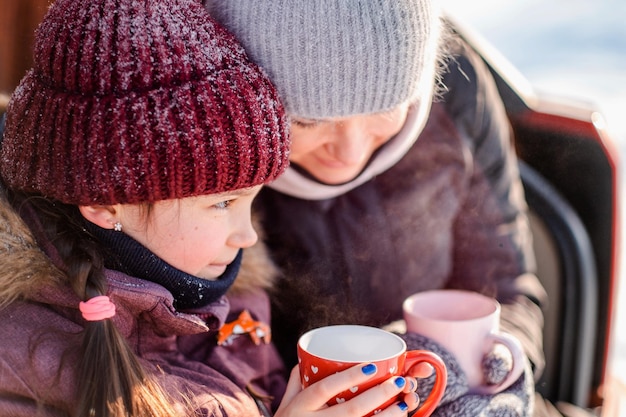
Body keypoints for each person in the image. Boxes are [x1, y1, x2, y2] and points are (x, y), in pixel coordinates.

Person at [0, 0, 424, 416]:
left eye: (253, 199)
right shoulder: (22, 359)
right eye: (223, 203)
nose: (249, 236)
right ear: (105, 206)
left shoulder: (234, 298)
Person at [203, 1, 574, 416]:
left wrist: (500, 369)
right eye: (308, 121)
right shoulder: (206, 157)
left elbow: (505, 284)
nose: (350, 153)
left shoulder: (454, 89)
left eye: (383, 110)